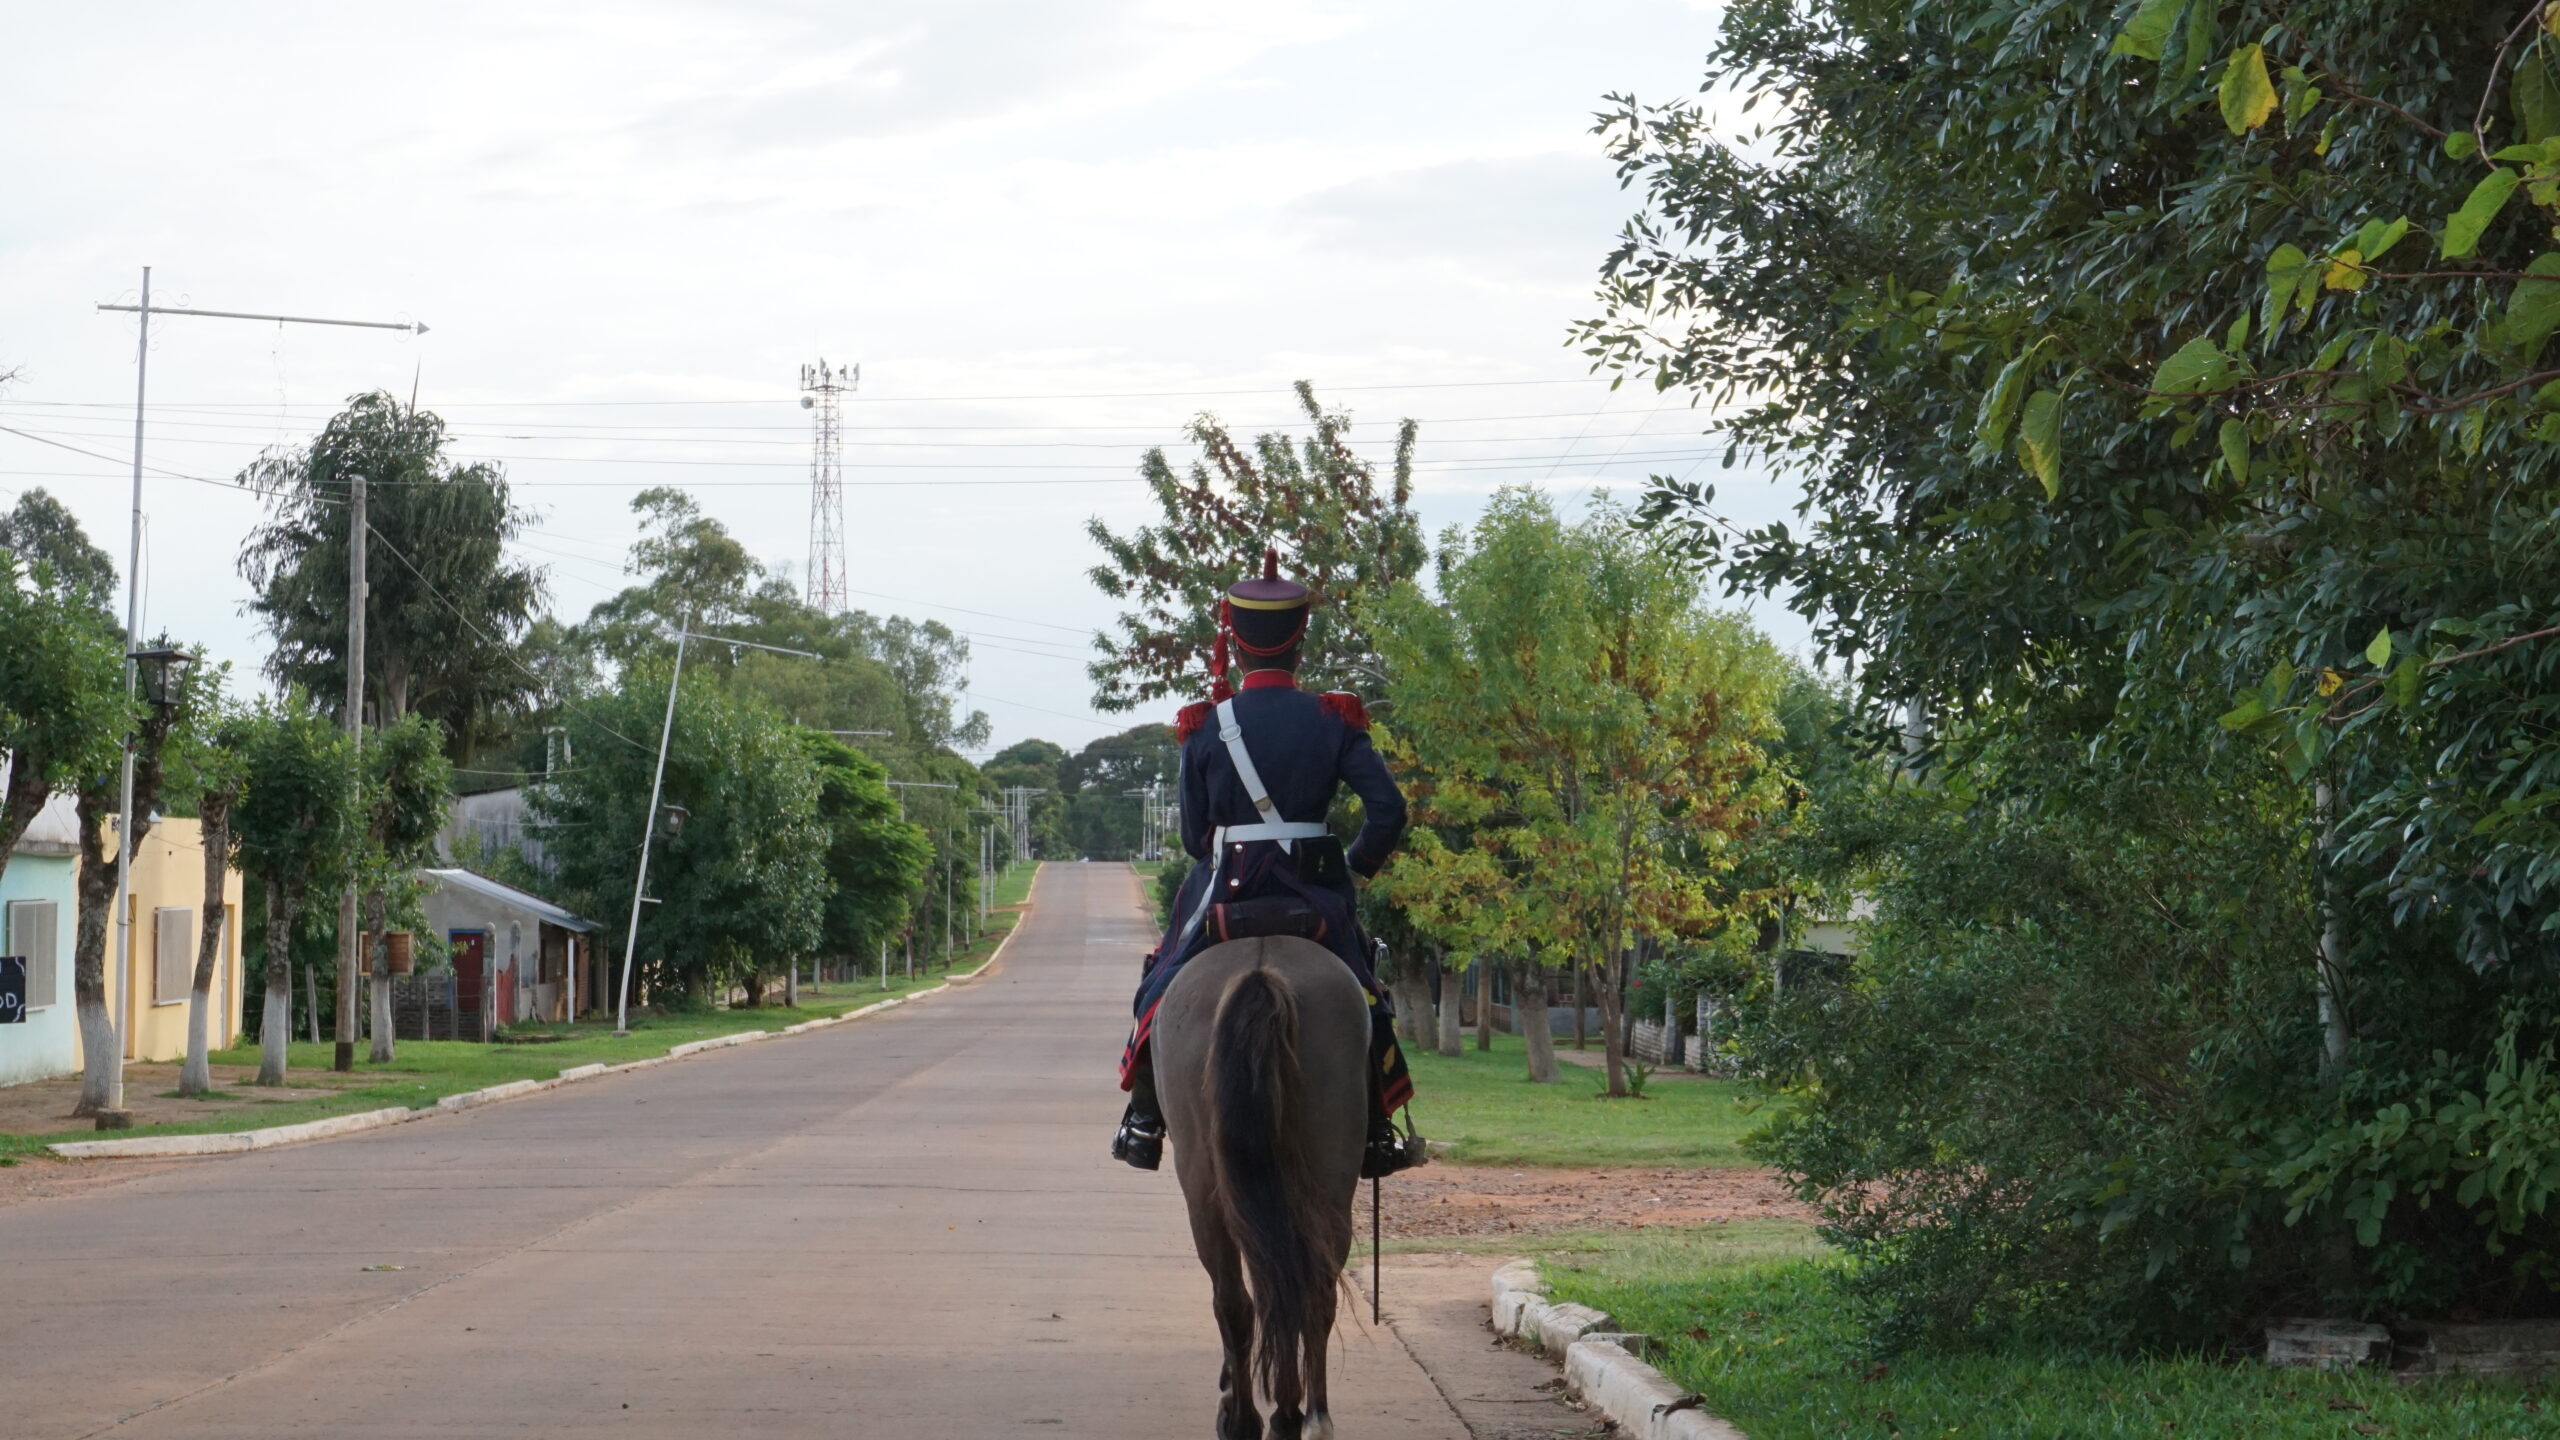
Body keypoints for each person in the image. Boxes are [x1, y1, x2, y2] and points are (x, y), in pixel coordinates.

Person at [1112, 551, 1426, 1178]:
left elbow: (1194, 841)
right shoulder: (1334, 719)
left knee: (1159, 985)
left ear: (1234, 639)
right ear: (1299, 642)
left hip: (1225, 891)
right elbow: (1387, 811)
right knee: (1365, 995)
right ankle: (1377, 1130)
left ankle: (1143, 1120)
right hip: (1314, 895)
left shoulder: (1205, 725)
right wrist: (1353, 871)